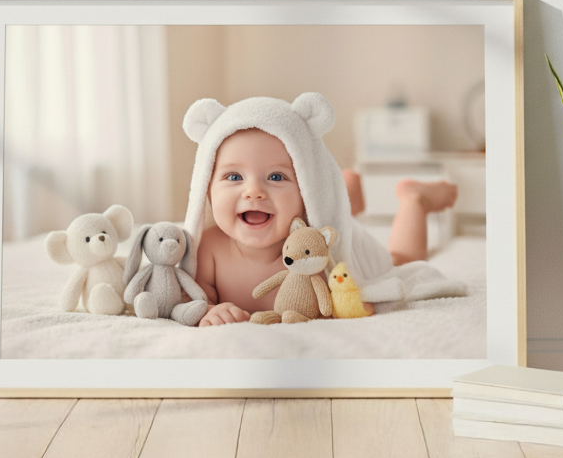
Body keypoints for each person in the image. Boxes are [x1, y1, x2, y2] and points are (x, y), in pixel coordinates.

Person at [182, 95, 458, 327]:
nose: (253, 191)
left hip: (328, 235)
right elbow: (194, 299)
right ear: (207, 188)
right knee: (343, 214)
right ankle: (349, 190)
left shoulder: (322, 254)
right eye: (234, 177)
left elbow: (351, 296)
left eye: (276, 177)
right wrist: (208, 310)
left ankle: (414, 200)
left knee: (401, 260)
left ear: (308, 190)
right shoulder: (209, 248)